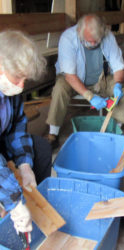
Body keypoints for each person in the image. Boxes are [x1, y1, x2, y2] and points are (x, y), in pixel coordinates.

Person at [46, 14, 124, 149]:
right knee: (59, 88)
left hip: (99, 80)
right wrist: (90, 97)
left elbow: (119, 67)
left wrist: (118, 84)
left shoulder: (108, 36)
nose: (92, 44)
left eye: (96, 41)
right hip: (72, 79)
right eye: (89, 41)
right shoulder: (68, 38)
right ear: (79, 32)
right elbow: (69, 75)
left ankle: (116, 129)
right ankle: (53, 134)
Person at [0, 30, 52, 239]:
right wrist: (13, 200)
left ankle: (36, 208)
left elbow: (17, 127)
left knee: (41, 149)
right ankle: (14, 215)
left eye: (25, 79)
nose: (21, 86)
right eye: (18, 77)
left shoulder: (11, 91)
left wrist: (24, 165)